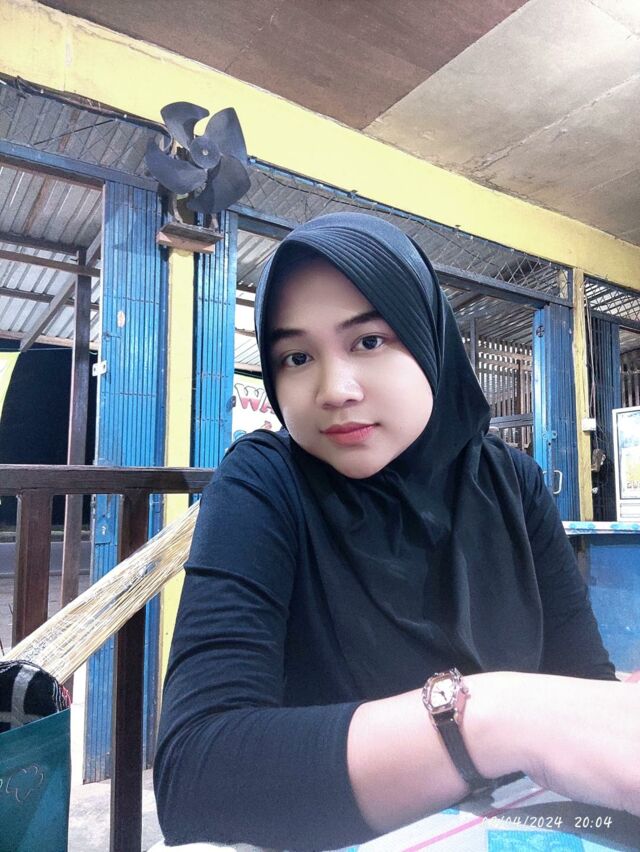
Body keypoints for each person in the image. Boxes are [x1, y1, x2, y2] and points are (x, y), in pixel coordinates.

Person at [154, 213, 640, 851]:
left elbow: (588, 699)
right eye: (297, 357)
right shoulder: (265, 482)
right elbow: (196, 778)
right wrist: (498, 718)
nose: (334, 390)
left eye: (368, 341)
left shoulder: (512, 483)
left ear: (428, 337)